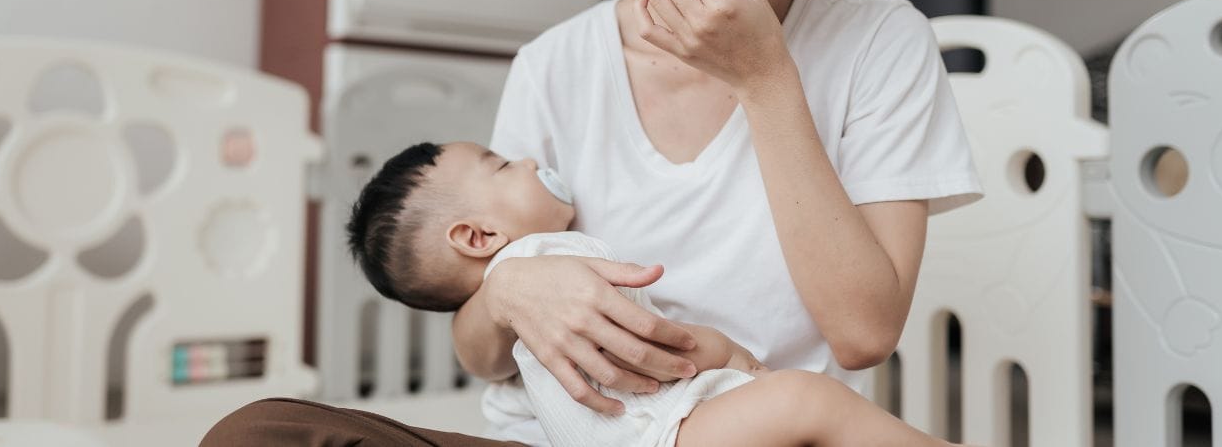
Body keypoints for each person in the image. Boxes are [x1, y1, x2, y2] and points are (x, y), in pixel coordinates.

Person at [202, 0, 982, 444]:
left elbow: (863, 334)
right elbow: (482, 351)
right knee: (257, 435)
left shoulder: (880, 43)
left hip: (741, 434)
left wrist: (765, 79)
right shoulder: (560, 62)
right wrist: (508, 293)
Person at [342, 139, 966, 447]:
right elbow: (660, 346)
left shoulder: (524, 299)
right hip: (653, 436)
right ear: (478, 236)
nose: (530, 162)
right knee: (806, 399)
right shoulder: (549, 260)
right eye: (504, 167)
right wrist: (730, 355)